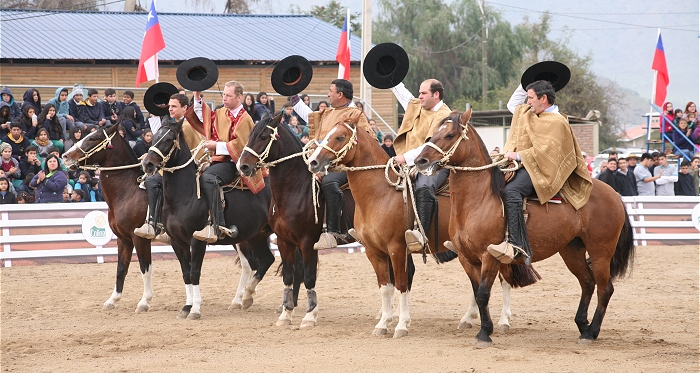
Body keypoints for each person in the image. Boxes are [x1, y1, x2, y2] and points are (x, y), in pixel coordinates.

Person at [487, 80, 592, 264]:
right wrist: (527, 80)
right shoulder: (529, 113)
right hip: (524, 165)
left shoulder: (557, 121)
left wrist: (518, 155)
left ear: (543, 98)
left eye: (531, 98)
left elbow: (547, 152)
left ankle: (518, 245)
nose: (527, 102)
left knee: (511, 191)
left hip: (544, 171)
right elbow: (513, 104)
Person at [290, 79, 372, 249]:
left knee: (329, 182)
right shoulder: (328, 113)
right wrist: (293, 97)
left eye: (330, 91)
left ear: (340, 94)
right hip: (321, 162)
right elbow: (308, 116)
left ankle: (335, 232)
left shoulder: (355, 115)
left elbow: (367, 142)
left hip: (346, 166)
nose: (327, 94)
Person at [185, 82, 263, 243]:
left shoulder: (245, 118)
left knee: (208, 178)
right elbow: (203, 117)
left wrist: (217, 146)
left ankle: (217, 225)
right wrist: (197, 95)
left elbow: (242, 146)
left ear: (239, 97)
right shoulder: (221, 112)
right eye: (224, 95)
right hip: (217, 159)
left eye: (228, 95)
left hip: (235, 162)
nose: (224, 98)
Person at [387, 79, 454, 252]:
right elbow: (402, 93)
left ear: (436, 94)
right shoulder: (418, 105)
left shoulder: (445, 115)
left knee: (424, 186)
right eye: (419, 92)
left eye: (423, 93)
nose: (419, 96)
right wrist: (389, 75)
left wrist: (404, 158)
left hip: (434, 163)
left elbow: (429, 148)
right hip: (410, 162)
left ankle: (421, 234)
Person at [134, 93, 205, 243]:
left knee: (152, 182)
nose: (170, 109)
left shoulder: (186, 125)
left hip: (188, 167)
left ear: (185, 108)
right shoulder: (176, 124)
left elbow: (186, 151)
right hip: (179, 166)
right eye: (169, 106)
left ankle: (154, 224)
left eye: (174, 106)